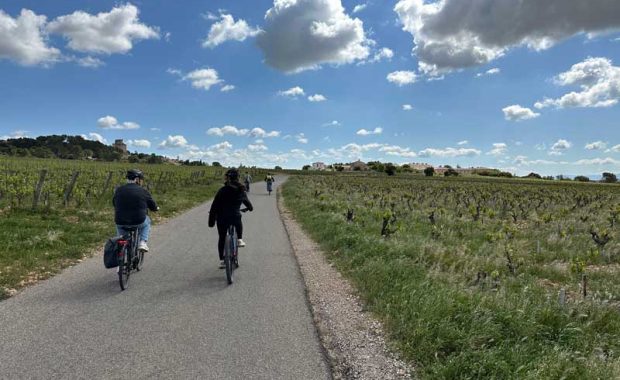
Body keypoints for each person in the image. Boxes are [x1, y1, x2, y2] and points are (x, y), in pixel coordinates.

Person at [208, 168, 254, 268]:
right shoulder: (241, 190)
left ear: (227, 178)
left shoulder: (222, 190)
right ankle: (240, 239)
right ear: (238, 177)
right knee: (238, 219)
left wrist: (211, 221)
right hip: (235, 217)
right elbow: (248, 203)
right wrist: (249, 208)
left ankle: (222, 260)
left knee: (222, 238)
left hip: (222, 218)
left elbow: (214, 206)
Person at [113, 169, 159, 252]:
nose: (141, 182)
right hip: (138, 221)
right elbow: (151, 204)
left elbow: (114, 203)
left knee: (122, 236)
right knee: (147, 221)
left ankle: (121, 246)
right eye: (141, 180)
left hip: (120, 221)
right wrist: (155, 208)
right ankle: (143, 242)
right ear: (137, 179)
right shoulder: (143, 191)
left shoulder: (118, 190)